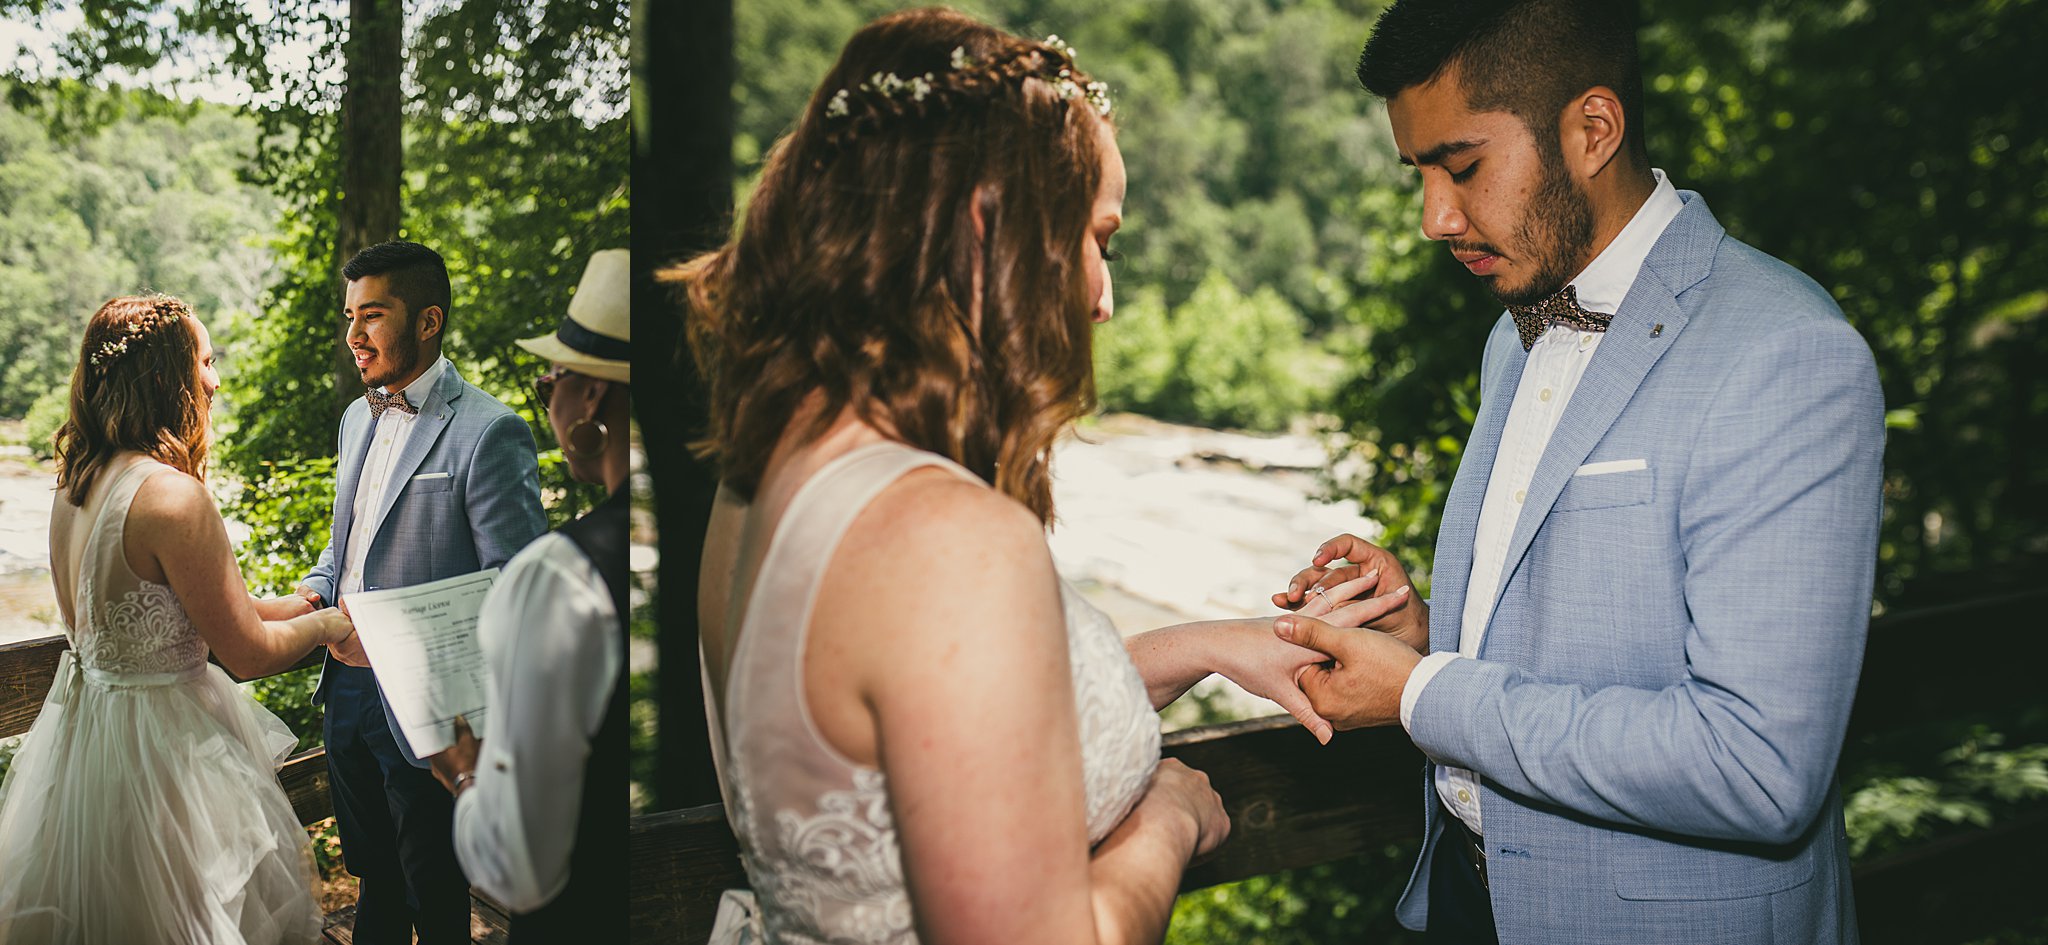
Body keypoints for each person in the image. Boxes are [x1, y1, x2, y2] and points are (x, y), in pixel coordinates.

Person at [676, 9, 1388, 944]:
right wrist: (1168, 820)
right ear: (987, 223)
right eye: (1099, 239)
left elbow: (941, 730)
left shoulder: (756, 490)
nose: (1106, 296)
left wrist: (1214, 643)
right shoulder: (947, 538)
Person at [1268, 1, 1885, 942]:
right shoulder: (1511, 337)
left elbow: (1758, 767)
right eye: (1420, 173)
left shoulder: (1787, 351)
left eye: (1463, 165)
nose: (1436, 216)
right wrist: (1426, 633)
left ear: (1593, 129)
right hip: (1484, 907)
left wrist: (1420, 691)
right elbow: (1593, 649)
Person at [0, 294, 357, 944]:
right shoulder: (173, 497)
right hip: (164, 764)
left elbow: (175, 613)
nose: (215, 379)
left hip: (91, 746)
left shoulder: (75, 483)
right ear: (168, 375)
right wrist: (333, 627)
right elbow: (245, 653)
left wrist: (300, 605)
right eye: (206, 360)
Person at [296, 240, 548, 945]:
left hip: (436, 713)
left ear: (428, 320)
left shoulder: (490, 430)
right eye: (349, 315)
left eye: (371, 315)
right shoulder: (355, 418)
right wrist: (310, 597)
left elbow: (517, 586)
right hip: (345, 694)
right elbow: (345, 551)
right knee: (374, 875)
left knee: (434, 889)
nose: (353, 335)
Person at [425, 249, 631, 944]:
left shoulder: (559, 577)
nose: (548, 393)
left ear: (592, 393)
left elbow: (517, 868)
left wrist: (465, 778)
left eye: (552, 378)